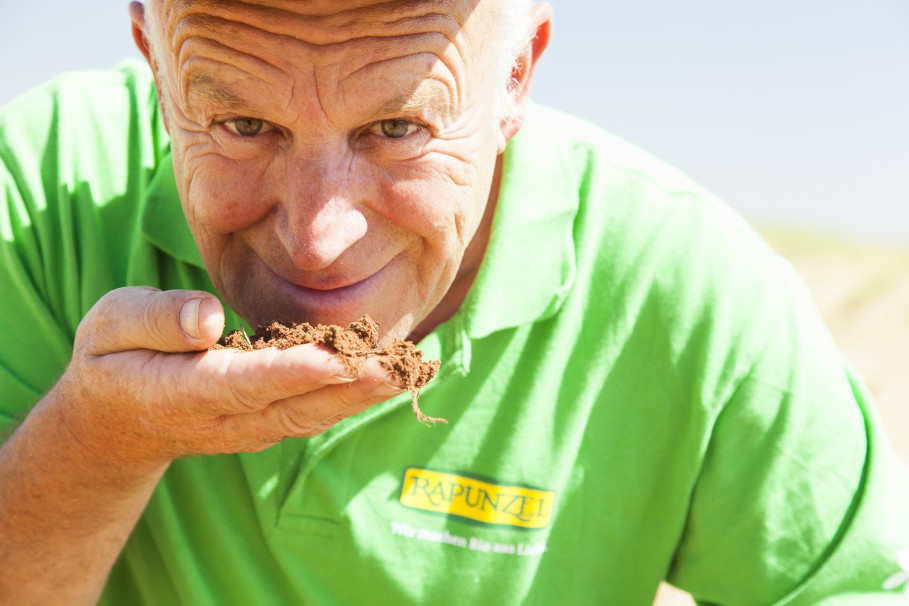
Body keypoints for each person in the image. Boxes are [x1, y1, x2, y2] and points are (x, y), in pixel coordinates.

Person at [1, 1, 908, 604]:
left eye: (394, 128)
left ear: (516, 73)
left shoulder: (685, 287)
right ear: (154, 62)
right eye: (245, 127)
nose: (319, 236)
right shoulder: (43, 188)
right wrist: (101, 438)